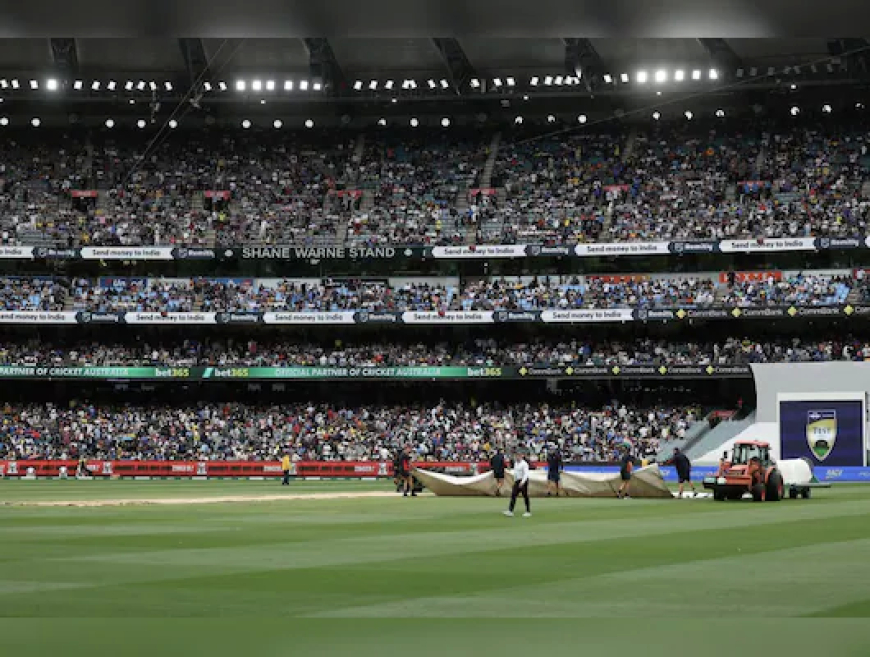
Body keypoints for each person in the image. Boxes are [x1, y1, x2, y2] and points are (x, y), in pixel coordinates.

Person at [504, 450, 531, 517]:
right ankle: (510, 511)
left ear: (522, 456)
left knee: (525, 496)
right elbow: (516, 473)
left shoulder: (524, 464)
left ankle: (528, 511)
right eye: (516, 456)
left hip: (523, 481)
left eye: (518, 455)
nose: (517, 457)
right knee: (513, 495)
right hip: (517, 481)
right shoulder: (516, 463)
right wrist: (515, 480)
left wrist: (522, 482)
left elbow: (526, 474)